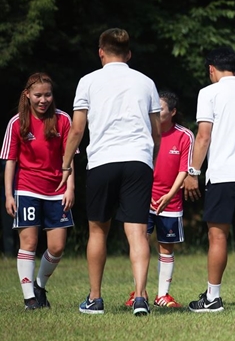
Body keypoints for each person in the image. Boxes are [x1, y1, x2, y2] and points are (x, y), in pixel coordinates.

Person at [58, 28, 162, 316]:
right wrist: (149, 159)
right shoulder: (145, 82)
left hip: (103, 161)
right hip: (138, 161)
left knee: (97, 231)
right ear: (128, 54)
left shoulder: (88, 81)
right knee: (138, 232)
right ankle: (140, 297)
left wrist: (66, 165)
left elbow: (77, 129)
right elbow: (156, 132)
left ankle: (95, 298)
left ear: (101, 51)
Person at [184, 46, 235, 314]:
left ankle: (213, 297)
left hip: (223, 174)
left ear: (211, 69)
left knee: (217, 236)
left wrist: (193, 172)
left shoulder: (209, 93)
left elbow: (203, 136)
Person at [1, 73, 76, 310]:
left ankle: (39, 286)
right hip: (27, 189)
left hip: (57, 190)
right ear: (27, 95)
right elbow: (10, 161)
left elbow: (70, 158)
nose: (43, 100)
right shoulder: (16, 123)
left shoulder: (63, 120)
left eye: (47, 94)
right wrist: (9, 195)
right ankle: (29, 299)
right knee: (29, 243)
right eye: (38, 95)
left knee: (57, 247)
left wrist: (70, 188)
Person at [124, 91, 194, 308]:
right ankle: (139, 293)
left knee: (166, 247)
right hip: (142, 199)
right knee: (139, 243)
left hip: (170, 201)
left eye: (160, 109)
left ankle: (162, 295)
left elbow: (184, 171)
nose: (154, 112)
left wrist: (170, 195)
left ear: (172, 112)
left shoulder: (185, 135)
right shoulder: (142, 131)